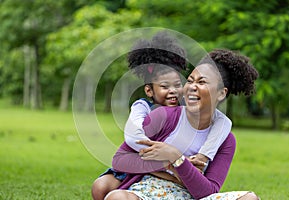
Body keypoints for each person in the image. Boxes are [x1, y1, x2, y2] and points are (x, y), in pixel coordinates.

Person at [92, 32, 232, 200]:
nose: (173, 91)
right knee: (101, 187)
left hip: (187, 187)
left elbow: (223, 123)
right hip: (142, 169)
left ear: (222, 93)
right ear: (149, 90)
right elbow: (131, 140)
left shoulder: (219, 129)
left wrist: (198, 157)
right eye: (191, 80)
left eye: (177, 85)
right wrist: (167, 162)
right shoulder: (148, 110)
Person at [104, 49, 260, 199]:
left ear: (221, 93)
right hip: (151, 192)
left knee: (249, 198)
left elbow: (208, 191)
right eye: (190, 81)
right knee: (116, 197)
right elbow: (120, 159)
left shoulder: (225, 140)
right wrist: (168, 165)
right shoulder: (164, 116)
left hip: (192, 196)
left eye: (202, 82)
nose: (192, 87)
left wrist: (176, 157)